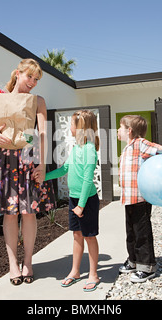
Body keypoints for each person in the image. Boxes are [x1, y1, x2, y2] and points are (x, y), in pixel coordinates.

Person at [0, 58, 56, 286]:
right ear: (18, 74)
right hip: (4, 159)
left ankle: (28, 262)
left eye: (37, 79)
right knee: (10, 213)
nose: (33, 82)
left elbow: (42, 134)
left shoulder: (38, 101)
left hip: (30, 158)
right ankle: (12, 264)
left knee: (29, 212)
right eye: (30, 76)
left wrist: (42, 164)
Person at [117, 115, 162, 283]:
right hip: (128, 199)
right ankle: (133, 261)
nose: (117, 131)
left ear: (129, 131)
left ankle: (147, 267)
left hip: (141, 199)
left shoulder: (140, 144)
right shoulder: (127, 148)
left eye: (120, 128)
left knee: (142, 233)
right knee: (131, 233)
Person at [42, 110, 101, 292]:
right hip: (74, 199)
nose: (70, 128)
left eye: (72, 124)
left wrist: (81, 205)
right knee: (76, 235)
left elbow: (87, 180)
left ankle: (93, 275)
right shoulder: (77, 147)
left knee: (89, 236)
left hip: (87, 201)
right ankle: (75, 272)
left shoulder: (89, 149)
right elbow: (64, 169)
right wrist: (44, 176)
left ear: (81, 127)